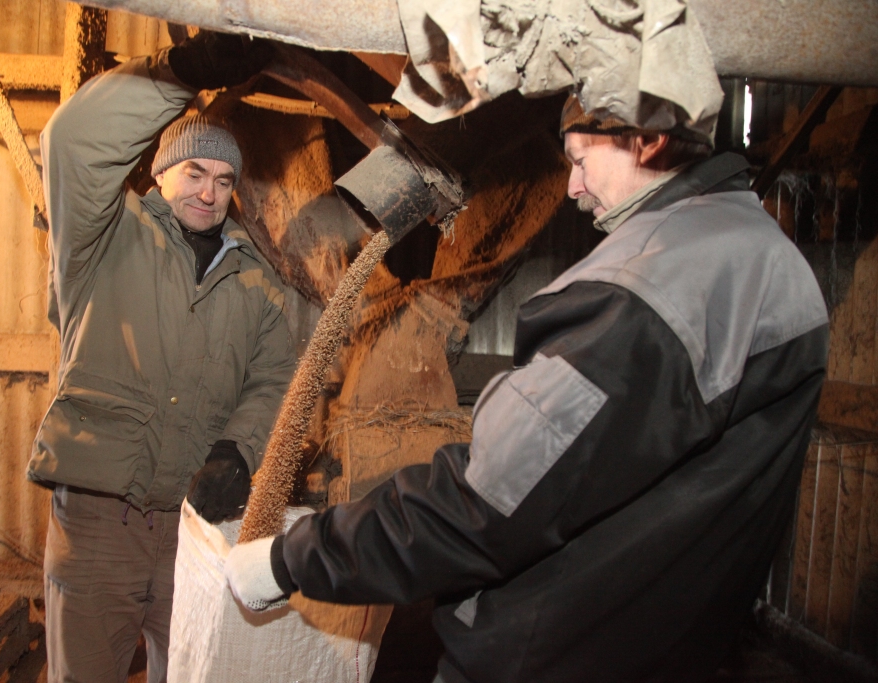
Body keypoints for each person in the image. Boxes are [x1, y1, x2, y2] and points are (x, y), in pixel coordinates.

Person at [224, 94, 830, 683]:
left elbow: (483, 505)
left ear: (645, 140)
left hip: (554, 655)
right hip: (657, 644)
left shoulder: (651, 285)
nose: (572, 187)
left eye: (581, 159)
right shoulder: (759, 251)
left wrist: (291, 558)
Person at [28, 32, 295, 683]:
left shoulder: (257, 282)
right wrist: (180, 71)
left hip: (195, 531)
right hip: (99, 527)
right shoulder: (102, 238)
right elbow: (72, 141)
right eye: (194, 172)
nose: (209, 192)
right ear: (159, 171)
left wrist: (238, 449)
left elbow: (272, 379)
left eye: (224, 181)